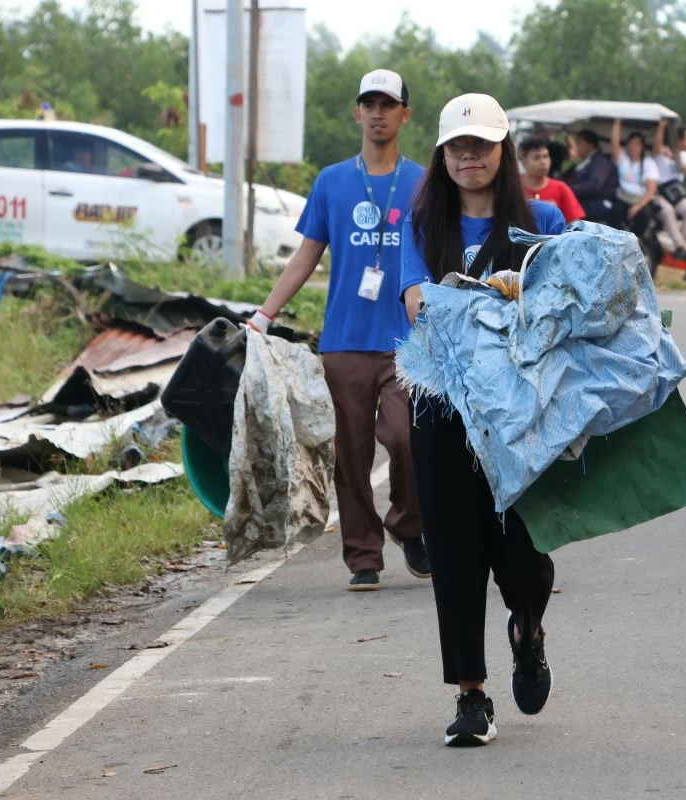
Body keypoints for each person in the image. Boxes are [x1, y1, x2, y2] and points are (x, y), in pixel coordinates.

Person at [400, 93, 567, 748]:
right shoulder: (420, 224)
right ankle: (471, 696)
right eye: (457, 146)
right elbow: (418, 301)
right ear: (443, 156)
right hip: (440, 411)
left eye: (482, 143)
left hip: (520, 412)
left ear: (503, 150)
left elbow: (564, 303)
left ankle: (528, 631)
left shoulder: (545, 218)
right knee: (455, 553)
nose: (469, 155)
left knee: (524, 554)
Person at [249, 69, 430, 592]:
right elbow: (307, 255)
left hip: (408, 341)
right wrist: (265, 314)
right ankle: (362, 556)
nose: (377, 113)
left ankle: (408, 525)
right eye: (368, 104)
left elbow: (441, 251)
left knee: (409, 438)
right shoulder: (332, 181)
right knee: (350, 454)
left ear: (404, 115)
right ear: (357, 113)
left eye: (388, 105)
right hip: (345, 341)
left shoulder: (423, 182)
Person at [651, 118, 686, 261]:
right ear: (679, 140)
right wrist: (661, 127)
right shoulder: (661, 151)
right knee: (667, 211)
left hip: (675, 194)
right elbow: (656, 147)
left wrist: (674, 157)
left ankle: (681, 247)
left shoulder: (683, 156)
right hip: (660, 192)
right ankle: (681, 247)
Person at [611, 119, 661, 235]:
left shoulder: (648, 163)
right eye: (631, 143)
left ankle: (637, 240)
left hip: (640, 199)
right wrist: (617, 122)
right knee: (615, 211)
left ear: (642, 147)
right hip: (622, 196)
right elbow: (615, 143)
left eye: (637, 144)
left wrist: (638, 206)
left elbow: (651, 189)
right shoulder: (623, 158)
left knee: (645, 214)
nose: (633, 146)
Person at [519, 137, 585, 223]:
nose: (543, 162)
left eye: (546, 156)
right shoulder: (514, 187)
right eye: (537, 158)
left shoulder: (561, 188)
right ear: (523, 161)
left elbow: (575, 225)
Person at [565, 128, 620, 226]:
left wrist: (569, 189)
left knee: (568, 211)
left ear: (589, 145)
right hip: (586, 200)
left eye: (579, 143)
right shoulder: (586, 161)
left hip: (599, 202)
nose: (577, 147)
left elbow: (594, 184)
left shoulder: (600, 161)